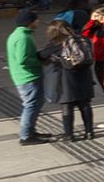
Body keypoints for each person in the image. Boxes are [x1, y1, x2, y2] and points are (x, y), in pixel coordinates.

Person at [42, 13, 97, 143]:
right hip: (85, 76)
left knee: (67, 106)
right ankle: (89, 131)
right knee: (85, 105)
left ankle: (69, 134)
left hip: (67, 79)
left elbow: (41, 55)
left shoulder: (56, 44)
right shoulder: (82, 39)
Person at [6, 7, 46, 146]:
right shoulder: (23, 37)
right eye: (36, 19)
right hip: (28, 77)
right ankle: (26, 135)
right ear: (30, 22)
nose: (38, 22)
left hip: (25, 76)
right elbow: (23, 59)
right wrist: (41, 61)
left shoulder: (18, 34)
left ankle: (31, 131)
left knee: (35, 104)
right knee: (31, 105)